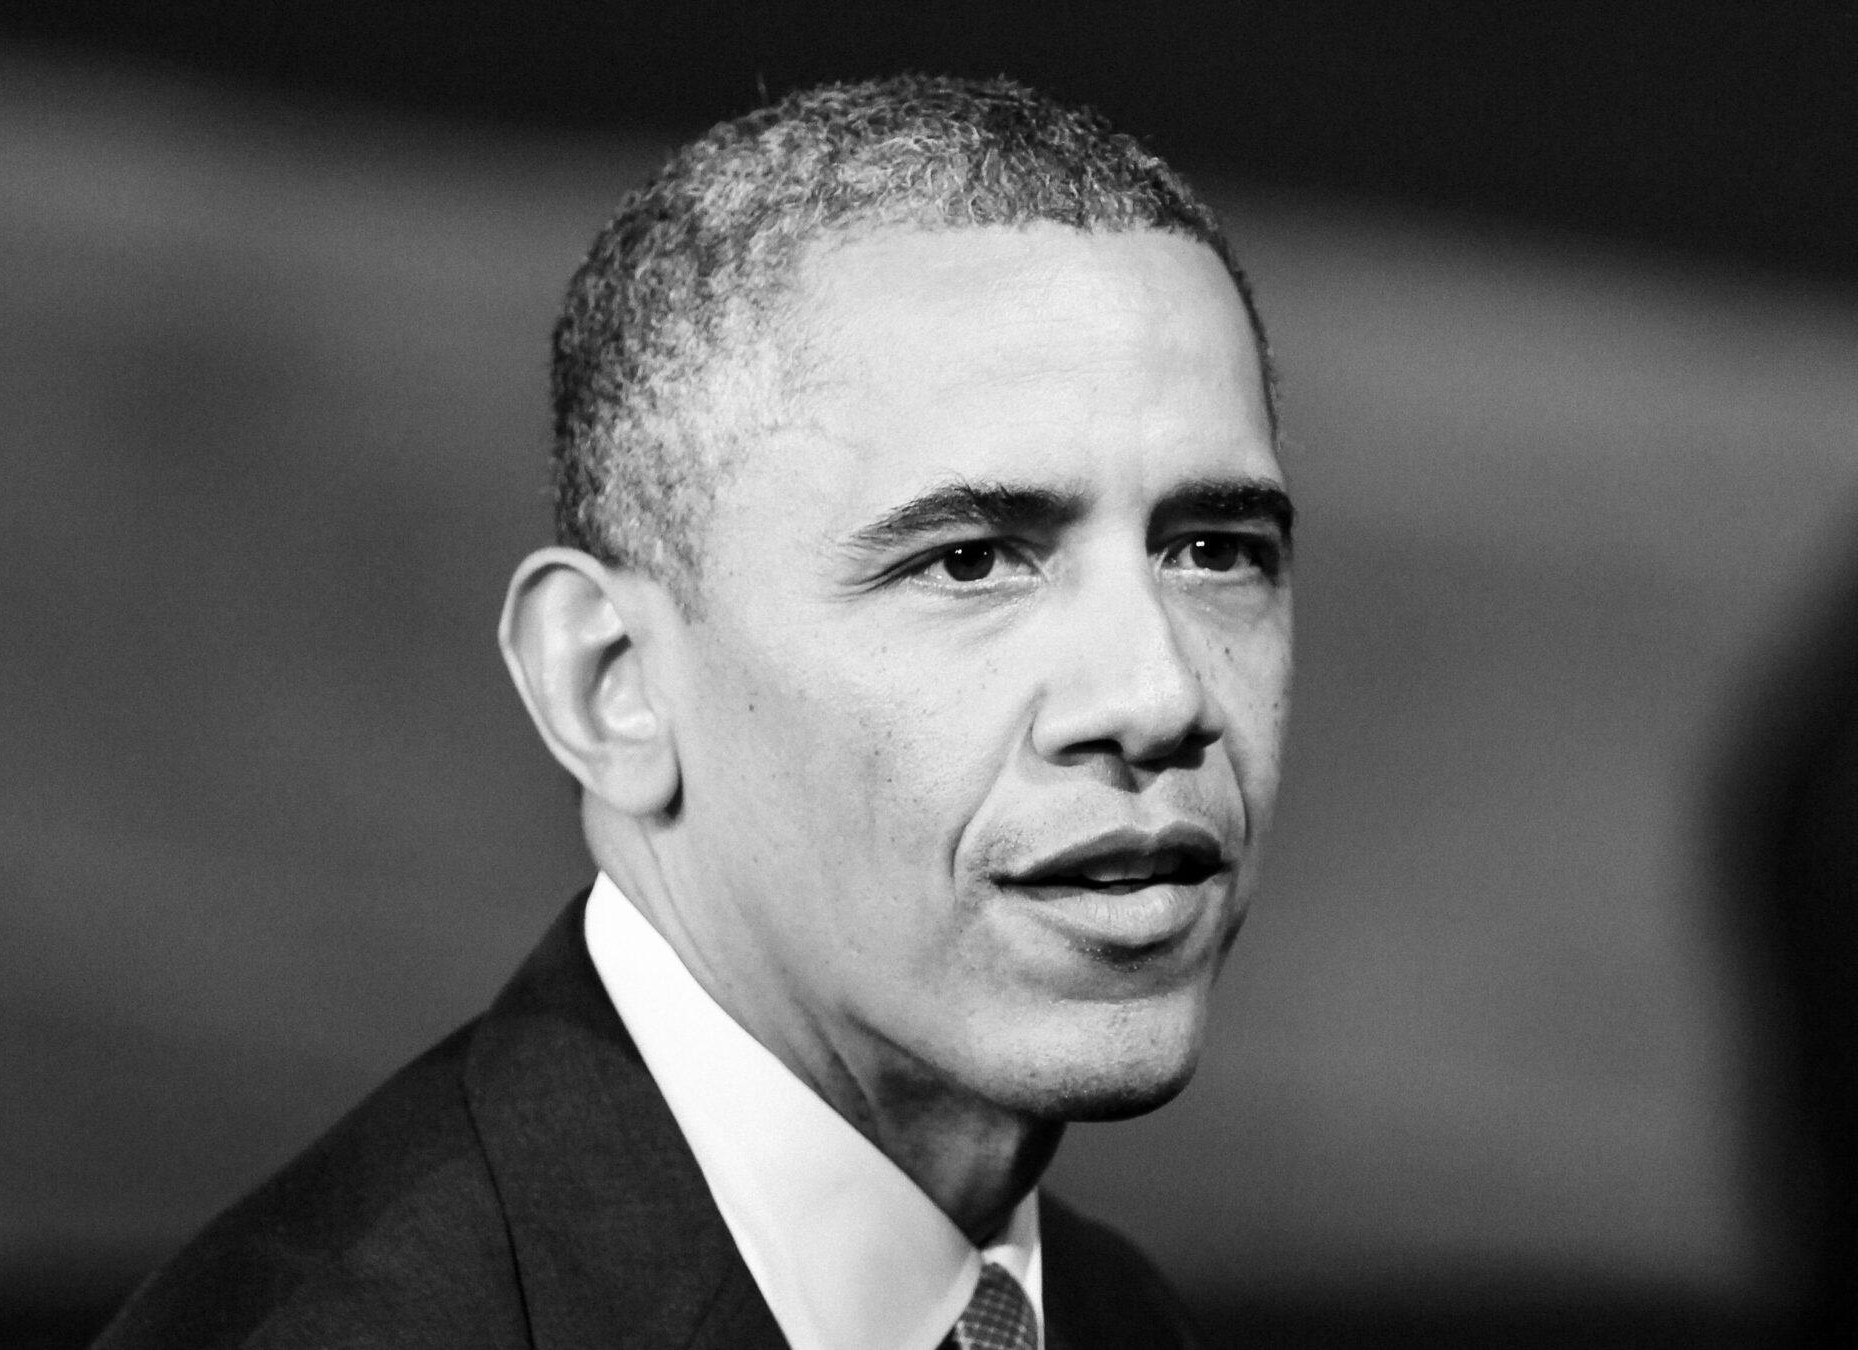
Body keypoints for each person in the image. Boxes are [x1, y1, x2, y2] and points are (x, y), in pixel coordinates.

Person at [95, 75, 1295, 1350]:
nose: (1158, 695)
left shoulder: (1109, 1317)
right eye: (968, 561)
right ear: (608, 683)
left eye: (1216, 549)